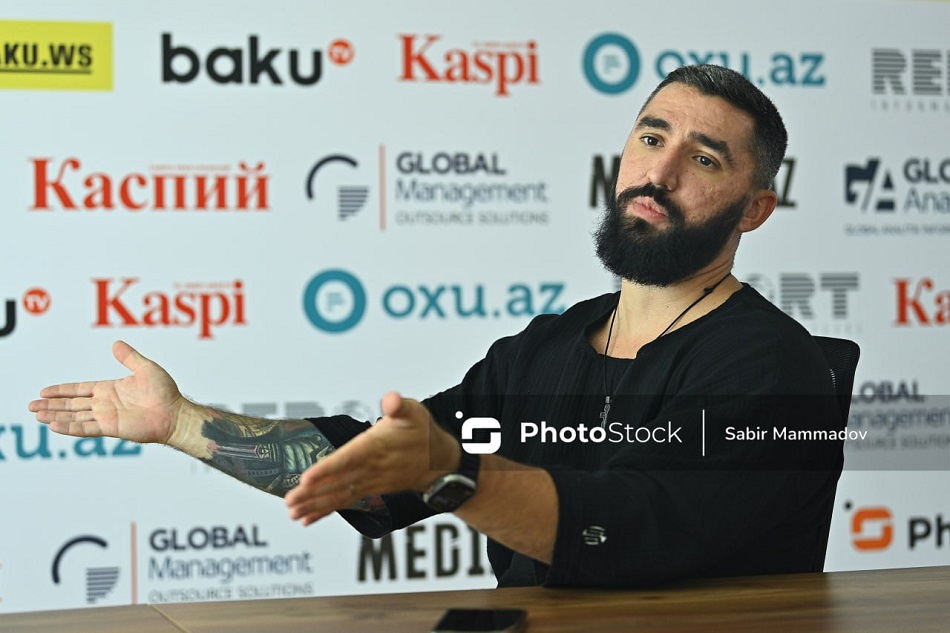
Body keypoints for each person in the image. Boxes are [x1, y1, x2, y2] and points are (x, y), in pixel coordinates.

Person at [29, 64, 843, 588]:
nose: (659, 172)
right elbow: (374, 472)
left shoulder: (777, 371)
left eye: (704, 159)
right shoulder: (542, 349)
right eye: (652, 137)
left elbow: (626, 527)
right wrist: (181, 422)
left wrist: (455, 472)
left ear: (755, 208)